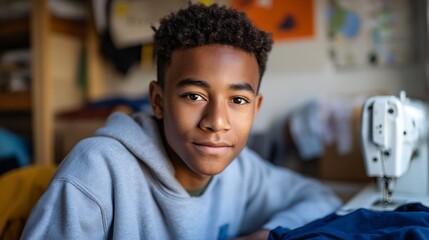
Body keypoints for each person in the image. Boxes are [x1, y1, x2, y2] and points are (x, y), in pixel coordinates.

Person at [21, 3, 341, 239]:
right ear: (158, 101)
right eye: (194, 96)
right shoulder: (98, 170)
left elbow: (321, 197)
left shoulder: (244, 172)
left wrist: (268, 234)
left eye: (238, 100)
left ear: (256, 108)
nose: (216, 121)